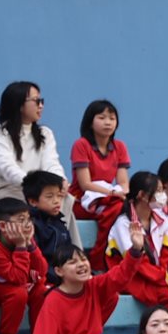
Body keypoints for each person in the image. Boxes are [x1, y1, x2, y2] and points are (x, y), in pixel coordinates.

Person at [0, 82, 65, 213]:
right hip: (3, 192)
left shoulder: (45, 133)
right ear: (19, 104)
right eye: (36, 101)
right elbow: (9, 169)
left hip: (38, 191)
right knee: (31, 205)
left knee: (65, 200)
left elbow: (52, 163)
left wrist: (59, 182)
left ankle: (61, 228)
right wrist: (37, 189)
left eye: (41, 101)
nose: (41, 105)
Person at [0, 199, 49, 334]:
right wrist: (21, 246)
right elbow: (19, 278)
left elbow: (41, 270)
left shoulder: (23, 238)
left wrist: (31, 245)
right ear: (3, 226)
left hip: (11, 283)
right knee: (18, 293)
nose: (28, 224)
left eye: (28, 219)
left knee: (41, 291)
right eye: (21, 220)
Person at [108, 171, 168, 313]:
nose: (163, 195)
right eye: (158, 191)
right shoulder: (123, 224)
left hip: (159, 277)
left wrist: (167, 275)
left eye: (162, 190)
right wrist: (164, 278)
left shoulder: (162, 220)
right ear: (142, 195)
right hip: (133, 278)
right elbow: (138, 264)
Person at [70, 99, 131, 254]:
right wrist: (112, 193)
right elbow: (85, 184)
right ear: (90, 122)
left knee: (126, 206)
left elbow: (124, 182)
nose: (108, 122)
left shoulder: (120, 147)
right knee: (116, 207)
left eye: (112, 118)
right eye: (102, 118)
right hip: (82, 201)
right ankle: (99, 255)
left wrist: (121, 193)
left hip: (109, 198)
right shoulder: (81, 145)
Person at [23, 171, 75, 275]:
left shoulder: (60, 223)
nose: (57, 201)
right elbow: (34, 262)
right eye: (49, 196)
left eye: (59, 196)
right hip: (45, 276)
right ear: (33, 201)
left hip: (62, 274)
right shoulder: (30, 226)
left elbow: (69, 253)